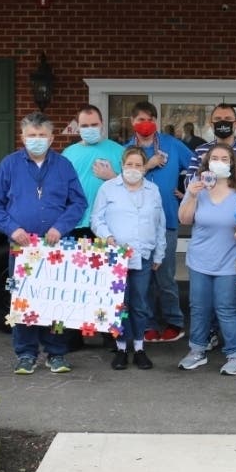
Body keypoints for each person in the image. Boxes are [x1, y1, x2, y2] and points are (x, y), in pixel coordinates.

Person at [0, 112, 87, 375]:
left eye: (42, 135)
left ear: (51, 138)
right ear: (23, 137)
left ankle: (57, 353)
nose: (37, 139)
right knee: (22, 300)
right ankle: (26, 354)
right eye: (32, 135)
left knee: (57, 300)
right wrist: (13, 229)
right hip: (22, 248)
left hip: (56, 248)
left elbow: (78, 202)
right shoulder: (9, 165)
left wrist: (60, 227)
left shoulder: (63, 166)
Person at [184, 103, 236, 352]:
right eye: (218, 118)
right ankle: (205, 339)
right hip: (203, 251)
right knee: (201, 305)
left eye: (227, 119)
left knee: (232, 302)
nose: (223, 122)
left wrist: (232, 172)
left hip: (232, 251)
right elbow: (189, 183)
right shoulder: (200, 151)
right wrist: (205, 174)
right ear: (211, 123)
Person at [177, 144, 236, 375]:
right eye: (214, 158)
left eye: (224, 158)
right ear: (207, 163)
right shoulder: (198, 185)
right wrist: (192, 195)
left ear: (232, 163)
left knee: (227, 307)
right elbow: (184, 219)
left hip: (231, 259)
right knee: (199, 307)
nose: (219, 162)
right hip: (200, 259)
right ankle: (197, 350)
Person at [91, 147, 165, 370]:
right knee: (119, 304)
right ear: (122, 165)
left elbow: (159, 223)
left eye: (138, 165)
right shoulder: (108, 188)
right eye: (129, 164)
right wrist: (108, 237)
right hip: (117, 256)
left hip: (143, 254)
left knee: (140, 303)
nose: (133, 168)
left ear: (144, 168)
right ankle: (121, 348)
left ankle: (140, 348)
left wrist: (159, 252)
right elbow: (96, 219)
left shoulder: (153, 190)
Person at [126, 101, 193, 343]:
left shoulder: (171, 145)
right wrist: (148, 165)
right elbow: (121, 179)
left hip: (167, 221)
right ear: (132, 122)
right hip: (136, 224)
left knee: (165, 276)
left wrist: (188, 193)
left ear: (155, 121)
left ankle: (174, 321)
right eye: (140, 119)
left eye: (149, 119)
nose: (145, 123)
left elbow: (197, 166)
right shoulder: (127, 150)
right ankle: (148, 323)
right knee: (142, 278)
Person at [61, 104, 124, 240]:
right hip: (76, 223)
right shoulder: (68, 153)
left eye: (94, 124)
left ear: (102, 124)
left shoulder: (120, 151)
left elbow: (133, 188)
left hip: (109, 224)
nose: (90, 129)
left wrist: (113, 177)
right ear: (78, 127)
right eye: (84, 126)